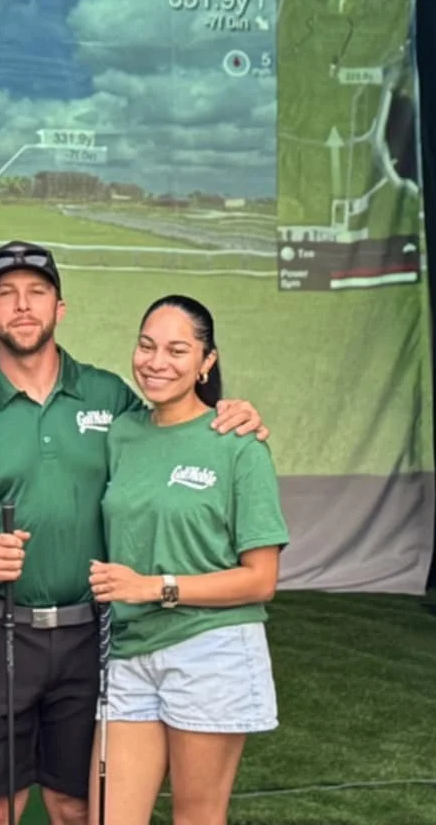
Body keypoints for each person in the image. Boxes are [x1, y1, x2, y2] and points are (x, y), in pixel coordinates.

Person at [0, 243, 267, 825]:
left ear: (61, 307)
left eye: (37, 292)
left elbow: (174, 427)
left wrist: (230, 412)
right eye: (6, 294)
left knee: (76, 802)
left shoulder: (112, 399)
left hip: (91, 635)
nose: (23, 306)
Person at [89, 294, 289, 825]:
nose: (156, 362)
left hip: (212, 650)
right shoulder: (123, 433)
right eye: (147, 345)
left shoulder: (239, 445)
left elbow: (262, 580)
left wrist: (153, 587)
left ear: (207, 362)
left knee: (196, 818)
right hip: (131, 652)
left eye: (178, 350)